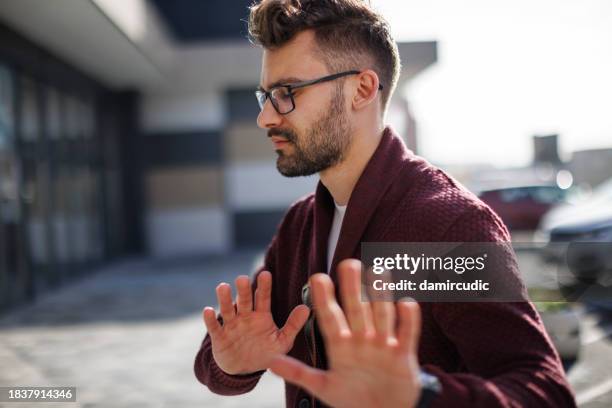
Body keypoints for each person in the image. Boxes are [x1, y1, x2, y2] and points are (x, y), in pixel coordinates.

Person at [194, 1, 576, 407]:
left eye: (287, 93)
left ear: (362, 89)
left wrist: (420, 394)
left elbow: (544, 394)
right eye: (265, 95)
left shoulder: (445, 225)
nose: (266, 117)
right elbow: (215, 364)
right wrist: (231, 362)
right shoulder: (300, 223)